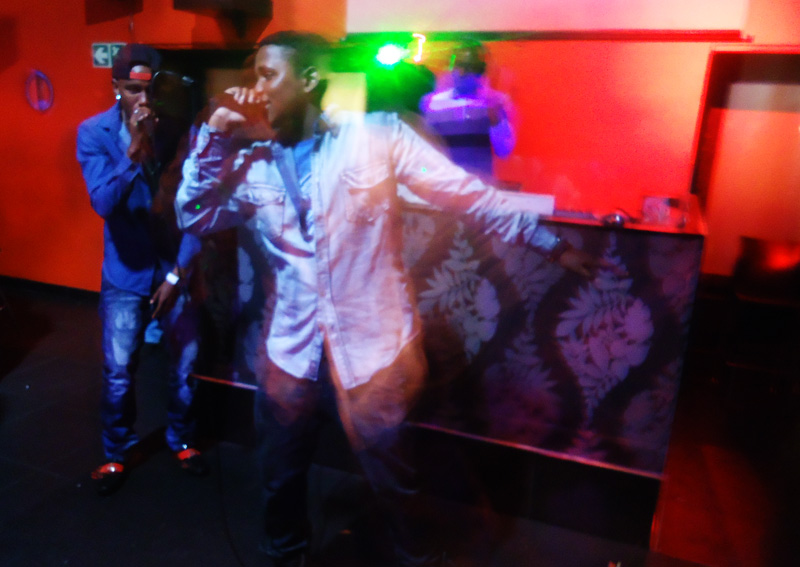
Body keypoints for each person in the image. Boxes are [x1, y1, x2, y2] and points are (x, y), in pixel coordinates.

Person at [175, 31, 601, 567]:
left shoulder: (376, 138)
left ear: (308, 80)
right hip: (291, 354)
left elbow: (466, 195)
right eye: (252, 76)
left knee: (394, 481)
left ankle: (416, 557)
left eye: (267, 75)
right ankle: (285, 554)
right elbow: (193, 215)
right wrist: (214, 135)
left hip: (373, 353)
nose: (255, 88)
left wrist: (551, 244)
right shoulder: (249, 163)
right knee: (279, 477)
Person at [76, 43, 208, 496]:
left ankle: (182, 440)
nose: (143, 100)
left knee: (185, 366)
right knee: (118, 372)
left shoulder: (181, 132)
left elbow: (196, 210)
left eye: (150, 89)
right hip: (125, 271)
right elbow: (102, 203)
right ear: (116, 87)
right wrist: (133, 150)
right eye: (133, 90)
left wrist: (177, 274)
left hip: (175, 264)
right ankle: (116, 451)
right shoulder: (94, 132)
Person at [420, 39, 515, 177]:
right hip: (443, 182)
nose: (461, 72)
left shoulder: (497, 101)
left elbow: (504, 151)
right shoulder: (433, 103)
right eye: (458, 65)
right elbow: (424, 149)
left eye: (470, 67)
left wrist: (495, 119)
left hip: (479, 183)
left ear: (481, 70)